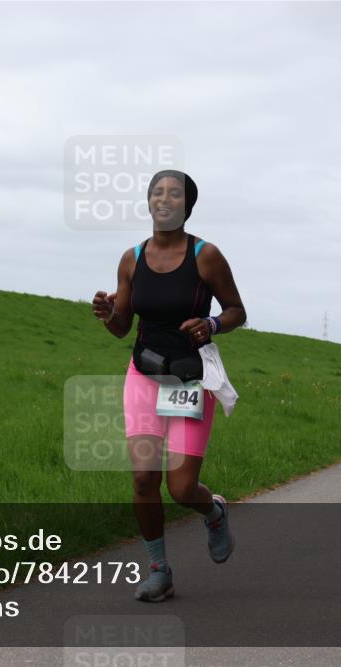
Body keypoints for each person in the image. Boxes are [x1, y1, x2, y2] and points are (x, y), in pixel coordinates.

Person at [92, 170, 246, 602]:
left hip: (190, 379)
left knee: (180, 489)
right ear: (148, 202)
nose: (164, 199)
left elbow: (237, 310)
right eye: (157, 192)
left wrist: (212, 322)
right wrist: (108, 314)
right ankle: (158, 569)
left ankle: (212, 511)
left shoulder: (206, 256)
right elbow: (124, 327)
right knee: (143, 479)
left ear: (187, 205)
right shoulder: (131, 258)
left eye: (174, 194)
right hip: (143, 374)